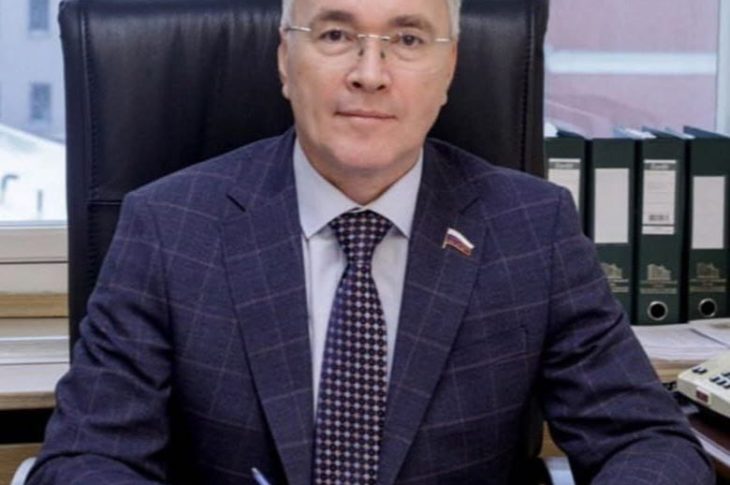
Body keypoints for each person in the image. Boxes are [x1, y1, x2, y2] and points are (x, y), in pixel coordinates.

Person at [29, 0, 713, 483]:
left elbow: (646, 441)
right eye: (335, 34)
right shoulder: (168, 226)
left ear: (449, 70)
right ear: (285, 59)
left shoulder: (531, 228)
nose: (370, 72)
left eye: (409, 39)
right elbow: (89, 457)